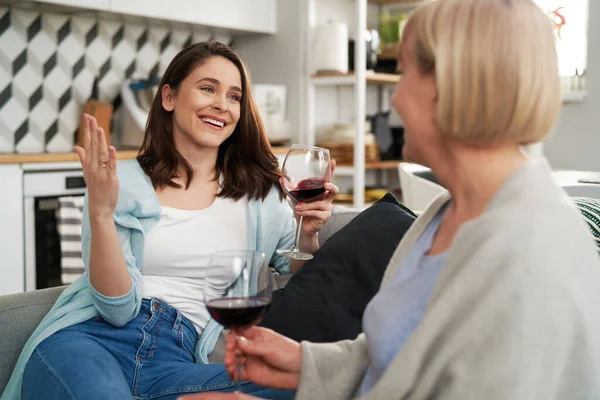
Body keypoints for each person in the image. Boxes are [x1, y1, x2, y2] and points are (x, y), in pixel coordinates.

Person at [182, 0, 600, 399]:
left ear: (450, 85)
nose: (395, 99)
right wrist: (304, 364)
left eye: (404, 75)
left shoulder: (529, 253)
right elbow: (400, 360)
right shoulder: (444, 213)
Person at [2, 41, 338, 400]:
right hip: (88, 342)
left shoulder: (261, 195)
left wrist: (308, 233)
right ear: (169, 97)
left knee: (312, 386)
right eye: (207, 88)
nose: (221, 104)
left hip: (177, 359)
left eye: (234, 96)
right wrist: (100, 214)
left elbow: (293, 273)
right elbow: (116, 309)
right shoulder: (123, 182)